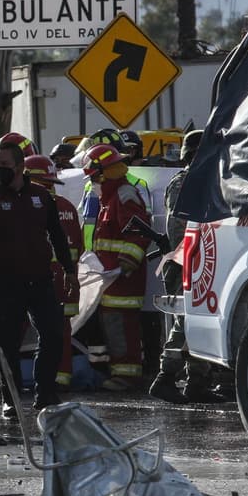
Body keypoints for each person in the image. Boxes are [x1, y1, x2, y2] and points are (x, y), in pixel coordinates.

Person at [0, 140, 77, 418]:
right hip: (6, 282)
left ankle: (45, 393)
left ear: (21, 167)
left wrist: (69, 271)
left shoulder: (41, 197)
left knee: (53, 334)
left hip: (41, 279)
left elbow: (57, 236)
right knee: (6, 342)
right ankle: (10, 398)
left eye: (5, 165)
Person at [148, 131, 224, 403]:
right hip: (186, 262)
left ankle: (197, 383)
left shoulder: (205, 181)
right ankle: (165, 378)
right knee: (187, 319)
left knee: (200, 319)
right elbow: (179, 229)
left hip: (201, 261)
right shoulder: (184, 183)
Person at [82, 144, 150, 391]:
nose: (92, 183)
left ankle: (127, 377)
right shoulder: (110, 197)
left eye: (93, 177)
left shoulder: (123, 195)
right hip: (112, 278)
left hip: (123, 280)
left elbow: (138, 234)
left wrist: (125, 265)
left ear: (102, 174)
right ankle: (119, 372)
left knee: (122, 328)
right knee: (113, 326)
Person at [24, 155, 83, 389]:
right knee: (61, 331)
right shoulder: (67, 207)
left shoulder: (28, 206)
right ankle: (62, 376)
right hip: (66, 280)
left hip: (35, 278)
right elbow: (79, 245)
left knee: (16, 326)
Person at [78, 129, 151, 251]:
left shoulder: (134, 186)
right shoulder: (91, 185)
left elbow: (141, 228)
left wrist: (126, 259)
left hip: (117, 257)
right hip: (94, 256)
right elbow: (86, 221)